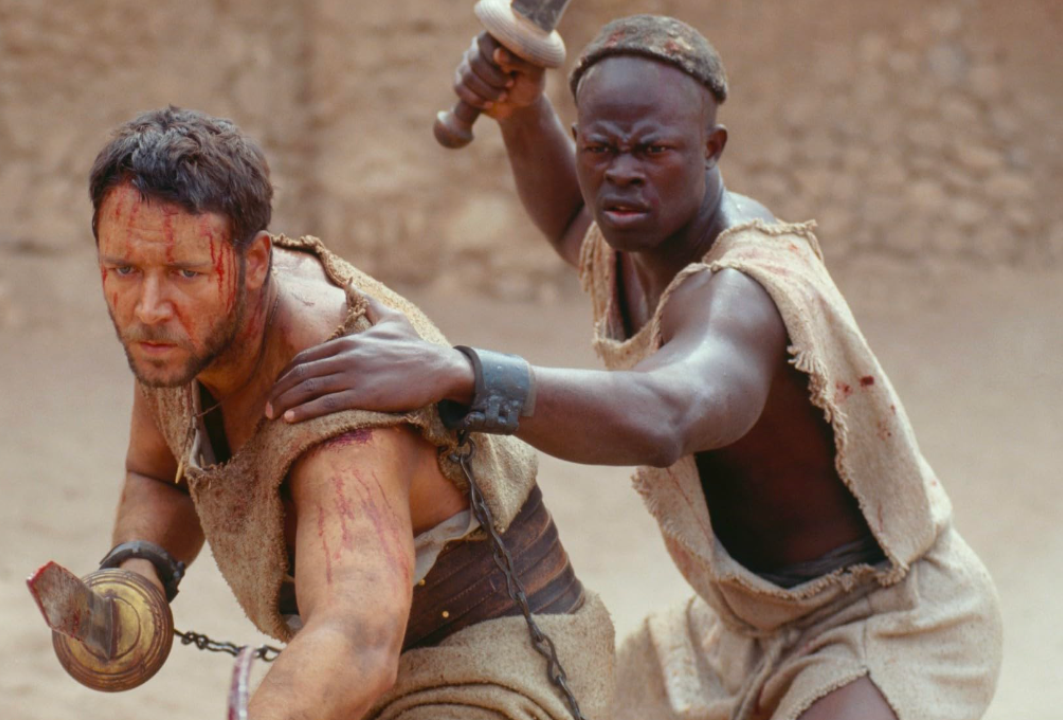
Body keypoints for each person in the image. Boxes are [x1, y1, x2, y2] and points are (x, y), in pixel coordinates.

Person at [265, 15, 1002, 720]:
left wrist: (463, 373)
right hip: (734, 635)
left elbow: (665, 415)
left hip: (882, 620)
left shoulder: (743, 290)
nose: (622, 174)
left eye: (652, 150)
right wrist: (521, 112)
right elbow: (569, 218)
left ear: (711, 147)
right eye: (600, 148)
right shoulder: (632, 244)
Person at [81, 106, 614, 720]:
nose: (148, 306)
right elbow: (160, 475)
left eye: (184, 272)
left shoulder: (339, 396)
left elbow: (356, 641)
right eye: (124, 269)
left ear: (257, 263)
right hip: (350, 682)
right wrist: (138, 572)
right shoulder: (181, 337)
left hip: (497, 674)